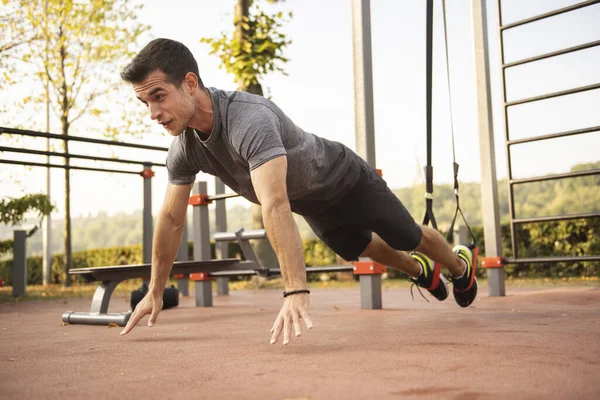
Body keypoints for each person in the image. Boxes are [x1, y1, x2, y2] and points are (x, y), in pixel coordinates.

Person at [118, 38, 477, 345]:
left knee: (406, 235)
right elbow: (170, 218)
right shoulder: (184, 148)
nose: (152, 112)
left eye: (159, 96)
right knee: (364, 249)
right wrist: (154, 290)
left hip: (345, 178)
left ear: (190, 83)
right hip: (313, 203)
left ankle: (459, 265)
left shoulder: (248, 119)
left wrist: (295, 289)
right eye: (145, 102)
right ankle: (421, 272)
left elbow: (275, 203)